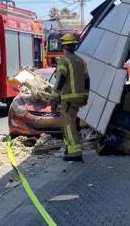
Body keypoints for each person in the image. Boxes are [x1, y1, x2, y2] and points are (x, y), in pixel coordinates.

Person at [50, 34, 90, 162]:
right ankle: (69, 149)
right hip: (78, 98)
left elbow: (60, 80)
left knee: (69, 125)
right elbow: (87, 80)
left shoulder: (64, 60)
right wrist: (85, 95)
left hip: (67, 99)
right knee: (70, 123)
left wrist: (54, 99)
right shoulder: (81, 61)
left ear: (64, 46)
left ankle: (75, 154)